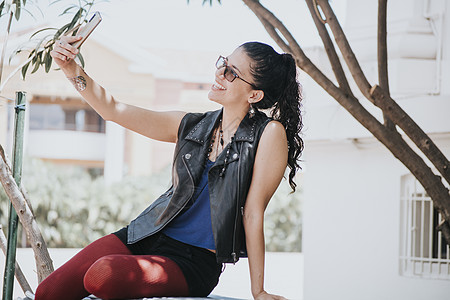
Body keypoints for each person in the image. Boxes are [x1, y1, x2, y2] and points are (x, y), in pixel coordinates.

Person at [34, 34, 303, 300]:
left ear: (254, 94)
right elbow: (113, 110)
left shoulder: (269, 133)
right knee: (47, 293)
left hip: (193, 261)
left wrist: (259, 291)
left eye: (232, 72)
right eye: (223, 62)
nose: (220, 72)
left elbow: (253, 213)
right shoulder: (191, 125)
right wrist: (72, 69)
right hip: (148, 233)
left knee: (102, 275)